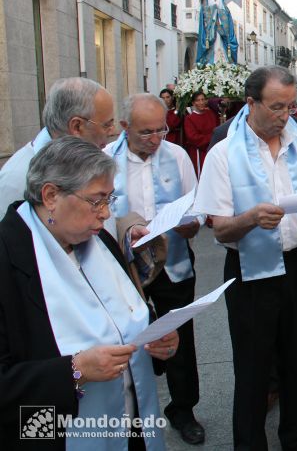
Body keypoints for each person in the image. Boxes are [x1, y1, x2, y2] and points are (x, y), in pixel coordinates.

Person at [193, 66, 297, 451]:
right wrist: (249, 219)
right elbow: (220, 230)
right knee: (253, 368)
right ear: (251, 104)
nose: (285, 116)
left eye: (290, 107)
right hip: (250, 275)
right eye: (276, 106)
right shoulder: (223, 154)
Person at [0, 137, 179, 450]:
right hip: (52, 432)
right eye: (96, 201)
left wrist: (156, 338)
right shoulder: (8, 259)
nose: (106, 213)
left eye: (109, 200)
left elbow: (123, 312)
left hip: (129, 421)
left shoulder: (100, 243)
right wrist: (74, 370)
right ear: (51, 195)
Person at [105, 94, 205, 444]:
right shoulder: (105, 161)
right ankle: (129, 411)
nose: (155, 139)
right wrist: (126, 229)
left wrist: (191, 223)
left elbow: (198, 206)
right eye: (145, 132)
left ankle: (183, 408)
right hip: (125, 268)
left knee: (180, 339)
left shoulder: (176, 156)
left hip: (173, 264)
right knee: (127, 339)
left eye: (160, 130)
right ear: (123, 128)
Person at [0, 77, 115, 219]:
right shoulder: (16, 179)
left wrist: (126, 230)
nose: (112, 131)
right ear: (77, 126)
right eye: (106, 125)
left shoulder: (87, 161)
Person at [195, 0, 238, 65]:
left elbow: (224, 9)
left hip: (220, 23)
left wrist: (220, 11)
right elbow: (204, 10)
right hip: (211, 23)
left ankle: (222, 59)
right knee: (212, 41)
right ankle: (211, 61)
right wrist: (213, 9)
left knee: (219, 39)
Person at [184, 91, 219, 177]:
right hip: (199, 152)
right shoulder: (190, 118)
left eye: (203, 99)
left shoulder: (211, 114)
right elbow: (192, 137)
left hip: (212, 149)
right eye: (198, 100)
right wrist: (211, 138)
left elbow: (217, 128)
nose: (201, 102)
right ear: (193, 103)